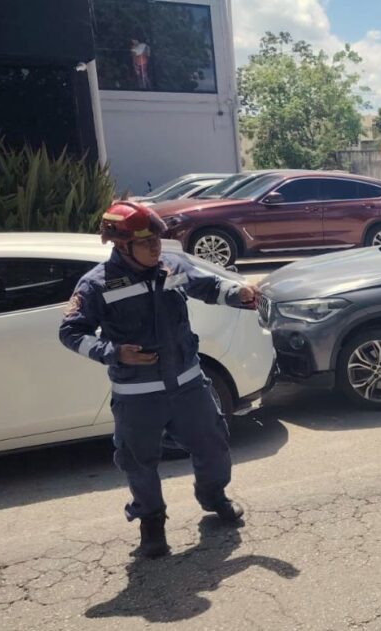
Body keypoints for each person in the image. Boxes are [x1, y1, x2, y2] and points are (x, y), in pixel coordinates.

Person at [59, 201, 259, 558]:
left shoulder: (171, 266)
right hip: (137, 395)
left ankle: (214, 497)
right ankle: (151, 523)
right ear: (121, 245)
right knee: (139, 462)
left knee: (213, 445)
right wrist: (114, 352)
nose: (155, 247)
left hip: (188, 385)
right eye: (146, 242)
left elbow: (209, 286)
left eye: (156, 239)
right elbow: (71, 332)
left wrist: (237, 293)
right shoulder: (96, 285)